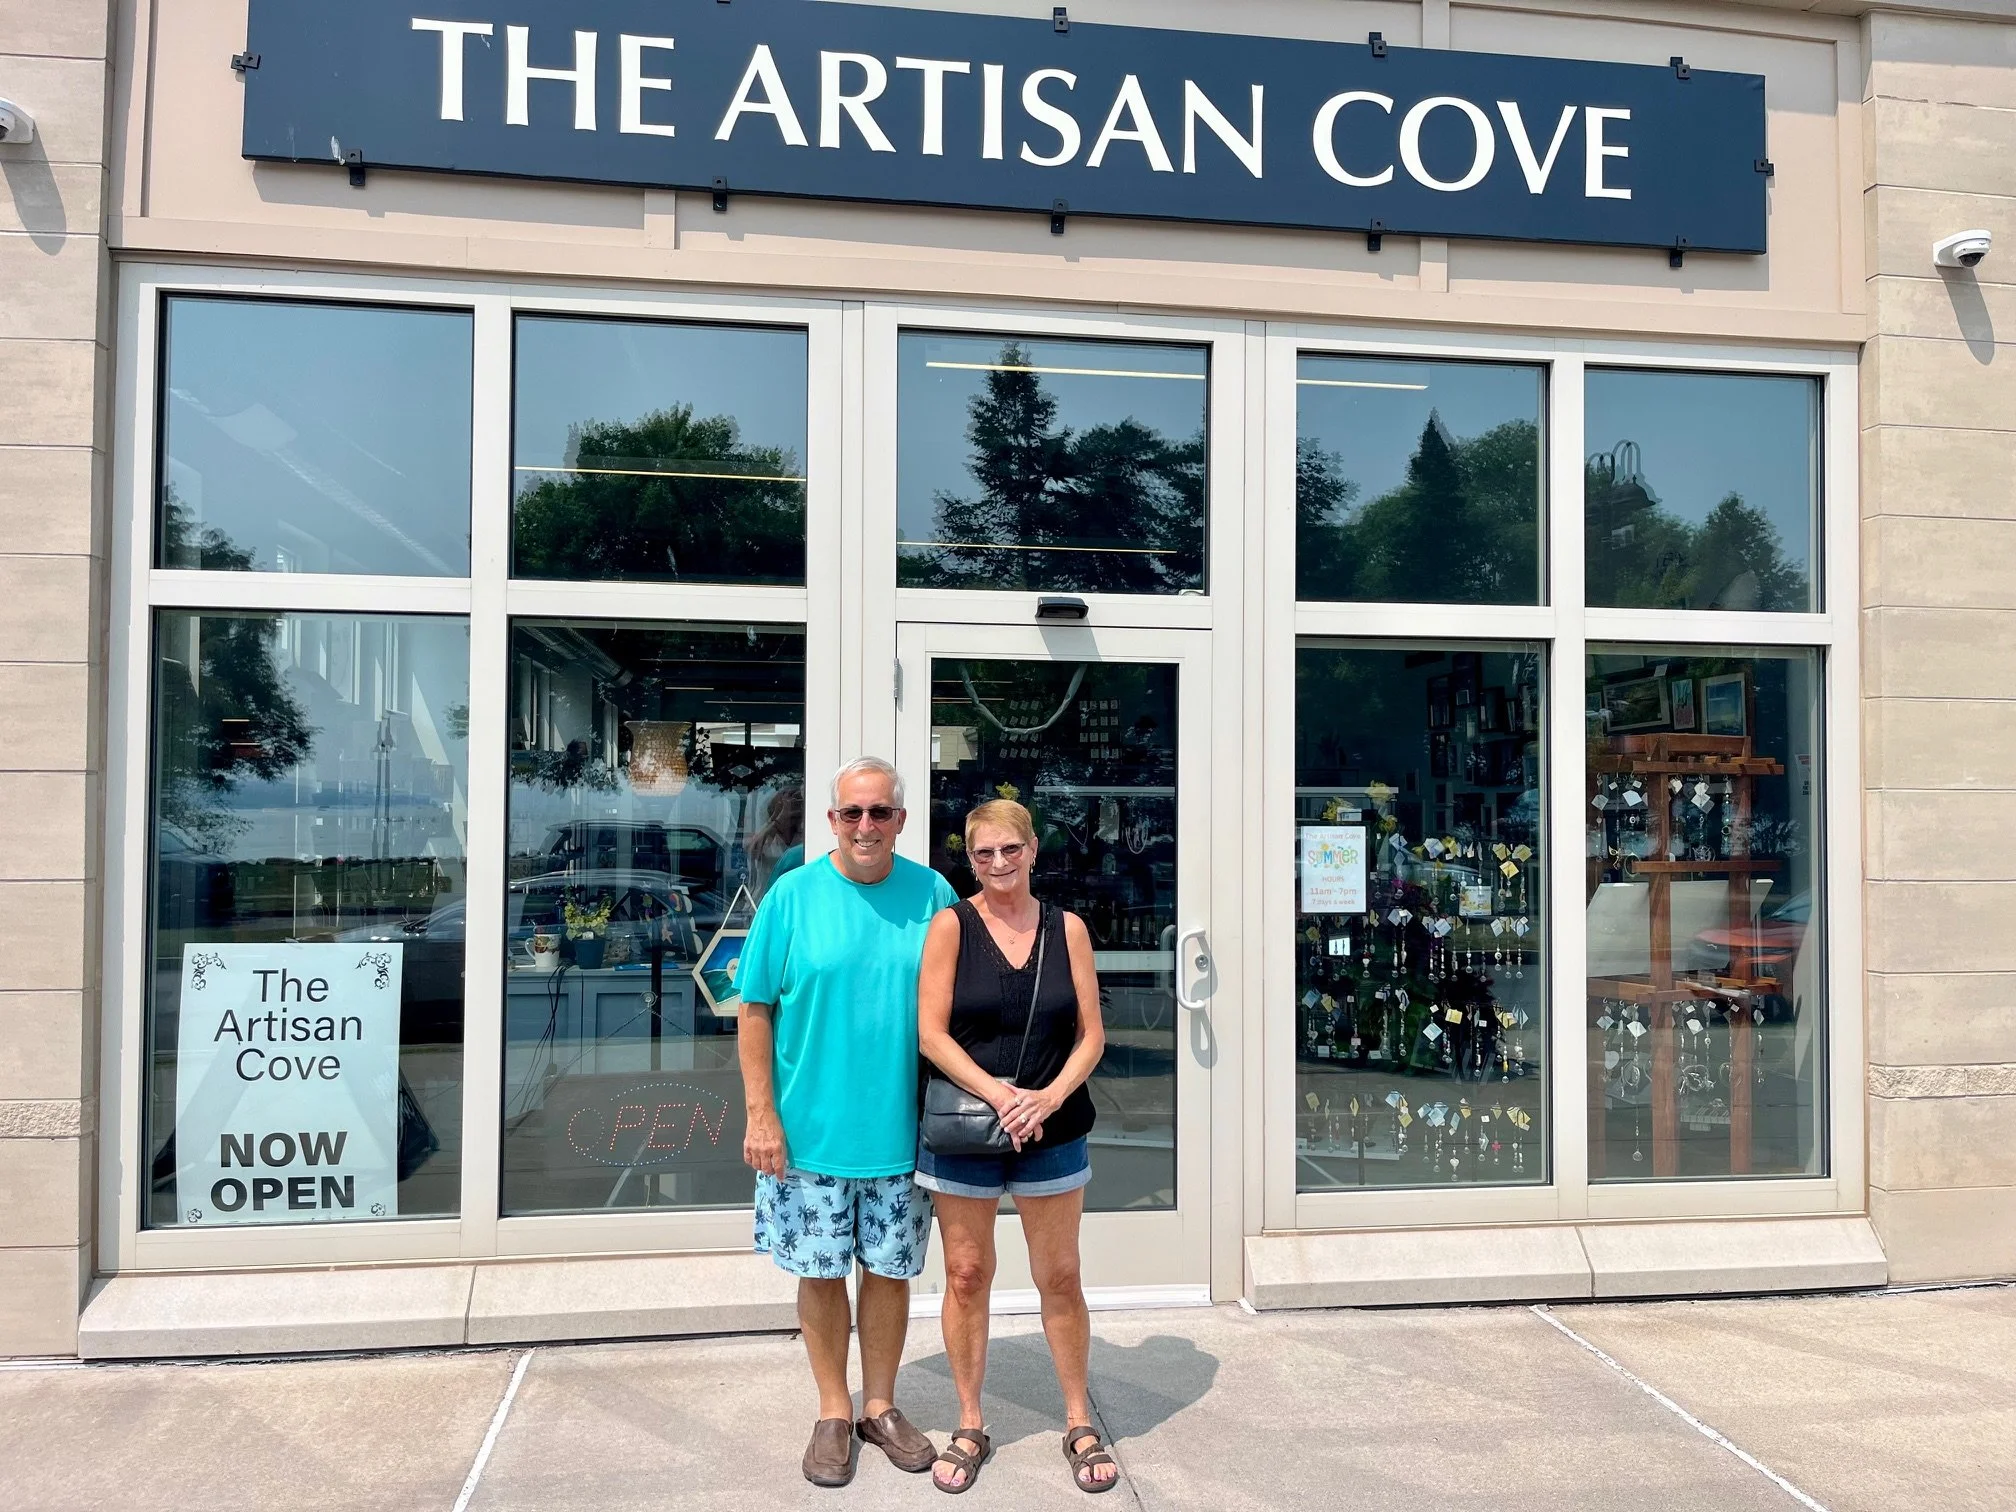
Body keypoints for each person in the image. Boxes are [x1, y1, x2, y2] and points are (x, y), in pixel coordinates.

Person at [737, 757, 958, 1488]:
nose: (866, 826)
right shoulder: (792, 897)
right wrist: (761, 1113)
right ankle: (835, 1408)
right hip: (810, 1135)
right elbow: (755, 1008)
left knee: (889, 1275)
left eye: (881, 813)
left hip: (903, 1131)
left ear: (900, 819)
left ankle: (881, 1404)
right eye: (851, 813)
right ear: (831, 821)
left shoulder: (933, 894)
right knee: (821, 1274)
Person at [915, 799, 1120, 1495]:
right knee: (966, 1275)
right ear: (968, 859)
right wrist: (1002, 1096)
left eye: (1010, 850)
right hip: (965, 1129)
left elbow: (1091, 1035)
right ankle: (970, 1421)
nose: (998, 864)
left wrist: (1047, 1098)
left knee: (1060, 1276)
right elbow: (931, 1034)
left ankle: (1077, 1417)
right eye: (983, 854)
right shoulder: (951, 926)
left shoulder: (1068, 929)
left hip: (1053, 1130)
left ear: (1034, 850)